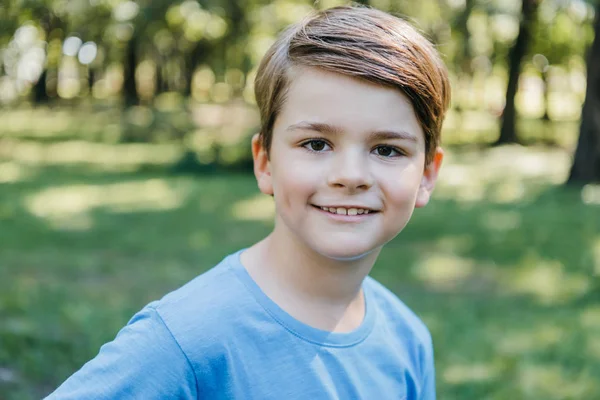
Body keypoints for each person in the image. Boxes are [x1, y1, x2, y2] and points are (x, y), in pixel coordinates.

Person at [46, 5, 450, 399]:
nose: (351, 175)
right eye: (316, 143)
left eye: (387, 150)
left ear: (427, 175)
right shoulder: (186, 343)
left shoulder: (407, 340)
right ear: (265, 162)